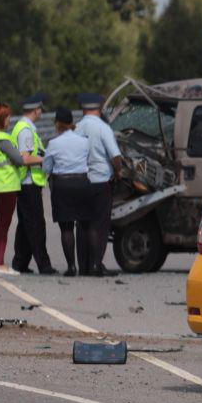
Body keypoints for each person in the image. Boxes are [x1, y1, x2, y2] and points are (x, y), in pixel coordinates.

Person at [75, 92, 124, 277]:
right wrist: (118, 171)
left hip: (80, 181)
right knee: (99, 225)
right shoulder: (103, 128)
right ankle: (96, 264)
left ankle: (83, 266)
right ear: (100, 107)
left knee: (82, 225)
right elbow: (115, 155)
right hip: (101, 181)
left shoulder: (76, 128)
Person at [43, 107, 96, 276]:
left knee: (66, 228)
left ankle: (72, 267)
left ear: (57, 124)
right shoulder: (84, 141)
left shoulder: (53, 143)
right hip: (82, 182)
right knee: (87, 226)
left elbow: (46, 167)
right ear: (72, 123)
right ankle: (91, 266)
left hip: (62, 186)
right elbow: (90, 160)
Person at [0, 101, 35, 275]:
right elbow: (20, 160)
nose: (9, 120)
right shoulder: (2, 138)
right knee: (3, 225)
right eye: (7, 117)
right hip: (7, 185)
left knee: (0, 224)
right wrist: (41, 159)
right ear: (1, 118)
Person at [10, 94, 56, 274]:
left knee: (25, 225)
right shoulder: (26, 130)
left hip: (26, 183)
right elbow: (25, 158)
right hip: (28, 183)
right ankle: (44, 265)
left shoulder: (24, 127)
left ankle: (19, 263)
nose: (41, 112)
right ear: (36, 110)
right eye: (41, 109)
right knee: (36, 225)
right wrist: (46, 158)